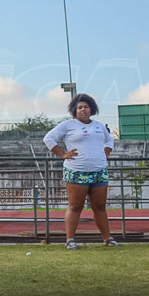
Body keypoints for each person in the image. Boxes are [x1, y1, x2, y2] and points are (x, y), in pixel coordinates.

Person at [43, 94, 120, 249]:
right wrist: (62, 154)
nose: (83, 110)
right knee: (75, 206)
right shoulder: (68, 125)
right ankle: (70, 240)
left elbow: (109, 140)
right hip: (77, 171)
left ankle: (107, 239)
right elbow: (48, 138)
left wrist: (106, 152)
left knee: (100, 207)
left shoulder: (99, 126)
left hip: (99, 171)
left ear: (92, 109)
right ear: (74, 110)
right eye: (80, 107)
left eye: (86, 107)